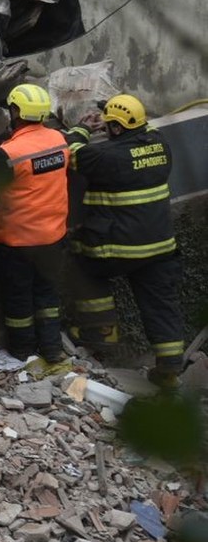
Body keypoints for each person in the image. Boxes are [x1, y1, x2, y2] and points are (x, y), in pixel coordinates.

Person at [66, 94, 183, 388]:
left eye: (108, 126)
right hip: (159, 247)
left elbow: (74, 152)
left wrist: (81, 128)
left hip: (116, 247)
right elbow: (143, 128)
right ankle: (169, 366)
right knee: (160, 304)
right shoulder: (162, 145)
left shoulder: (108, 157)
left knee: (86, 270)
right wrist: (115, 106)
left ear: (116, 129)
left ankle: (101, 337)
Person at [0, 83, 70, 370]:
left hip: (18, 241)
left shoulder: (9, 153)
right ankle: (53, 350)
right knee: (47, 295)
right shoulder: (59, 140)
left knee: (19, 300)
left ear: (15, 111)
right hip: (54, 236)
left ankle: (23, 352)